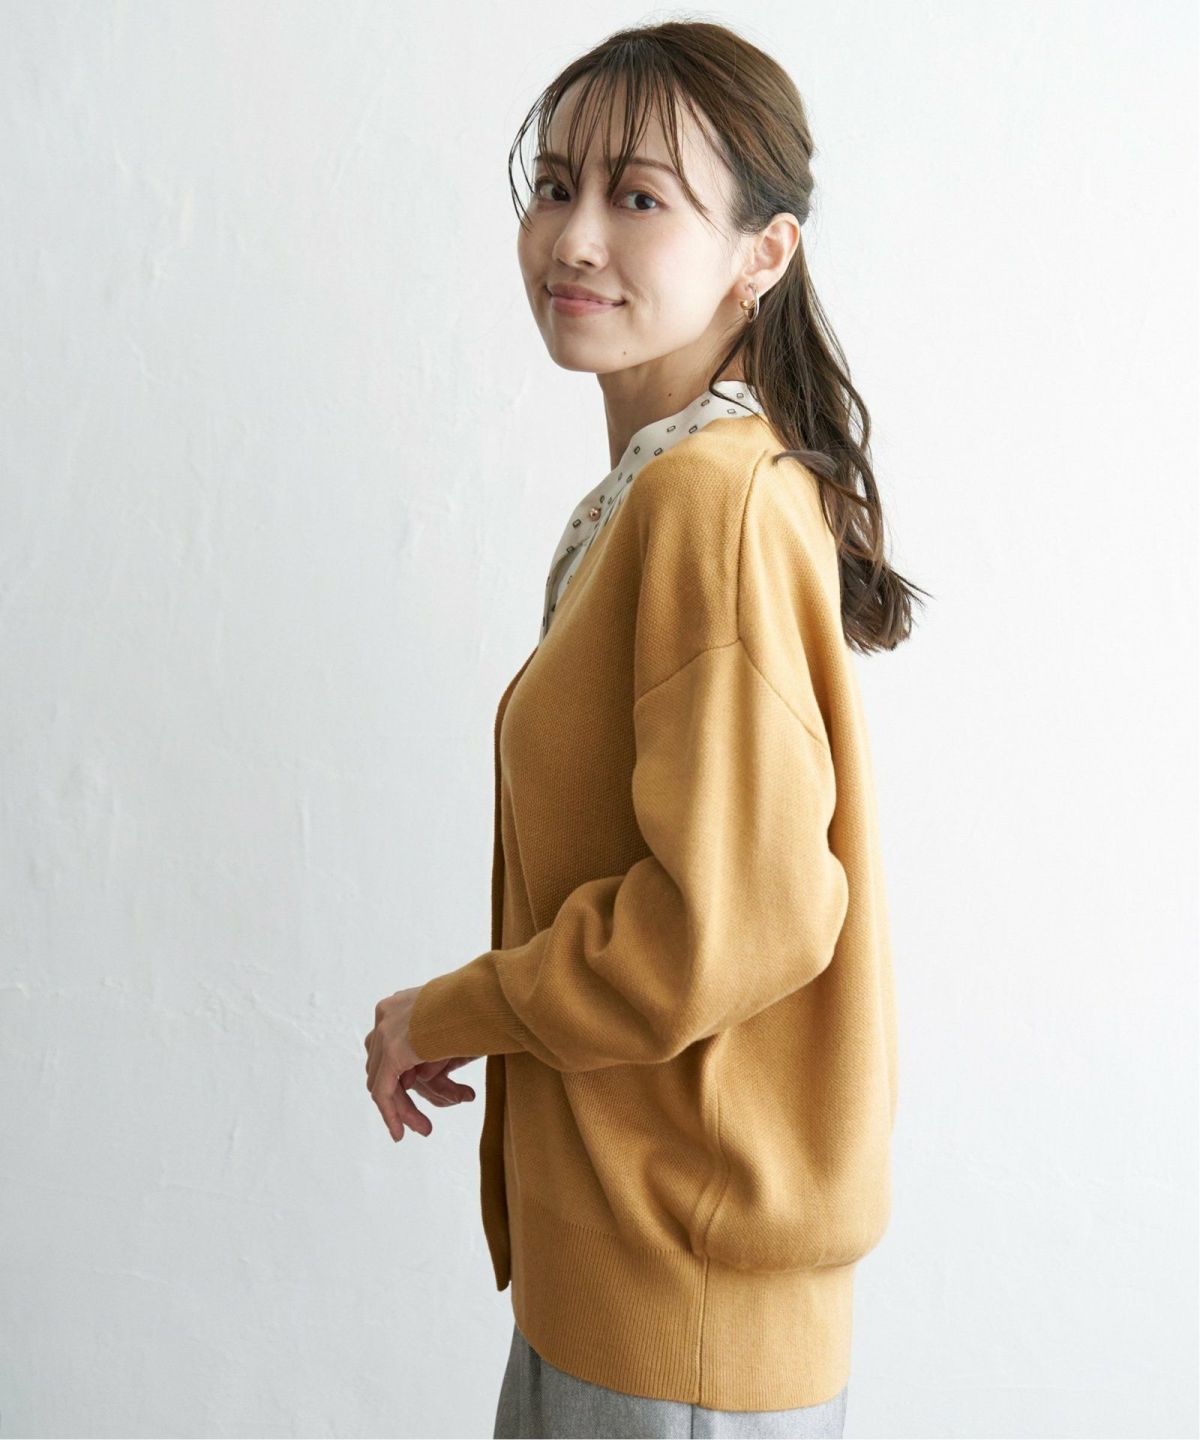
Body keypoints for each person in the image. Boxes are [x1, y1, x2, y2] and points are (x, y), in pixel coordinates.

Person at [363, 19, 926, 1439]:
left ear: (763, 254)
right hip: (634, 1277)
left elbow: (727, 924)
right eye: (555, 185)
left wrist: (451, 1011)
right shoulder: (667, 492)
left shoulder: (709, 503)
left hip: (679, 1311)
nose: (575, 237)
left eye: (639, 197)